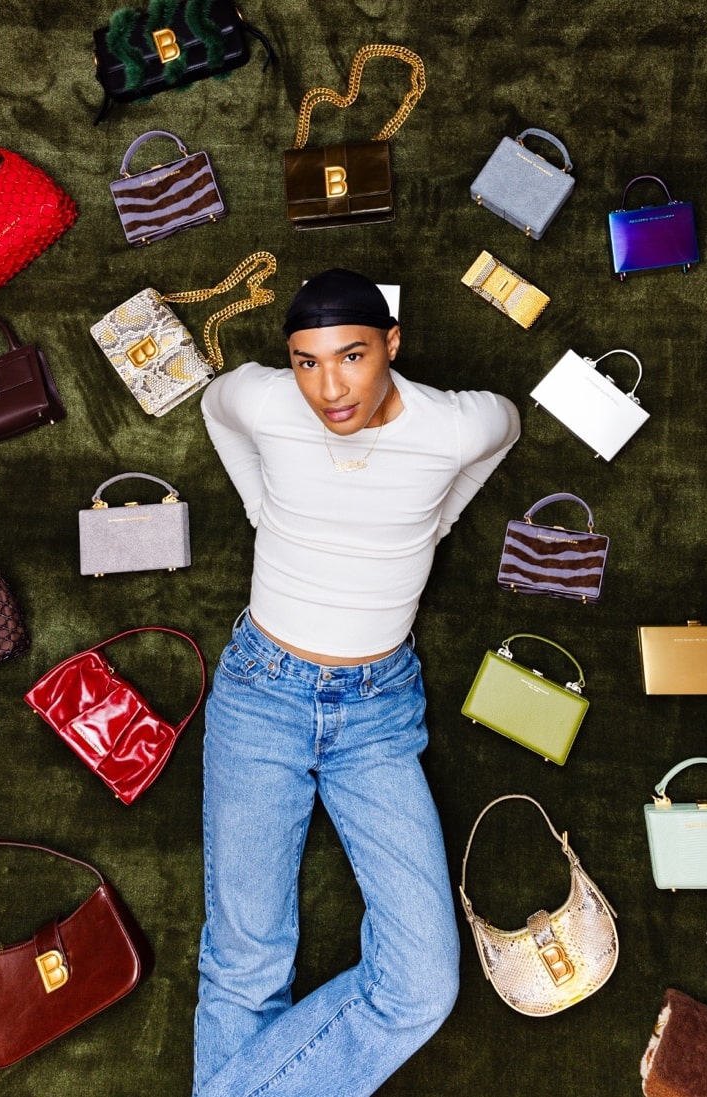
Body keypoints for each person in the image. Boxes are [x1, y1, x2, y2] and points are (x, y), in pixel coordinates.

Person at [194, 269, 520, 1097]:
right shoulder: (267, 403)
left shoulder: (451, 426)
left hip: (375, 713)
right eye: (305, 361)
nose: (328, 387)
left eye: (350, 355)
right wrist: (260, 505)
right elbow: (214, 407)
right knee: (245, 962)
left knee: (421, 982)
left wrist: (439, 516)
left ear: (391, 345)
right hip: (261, 692)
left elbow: (506, 426)